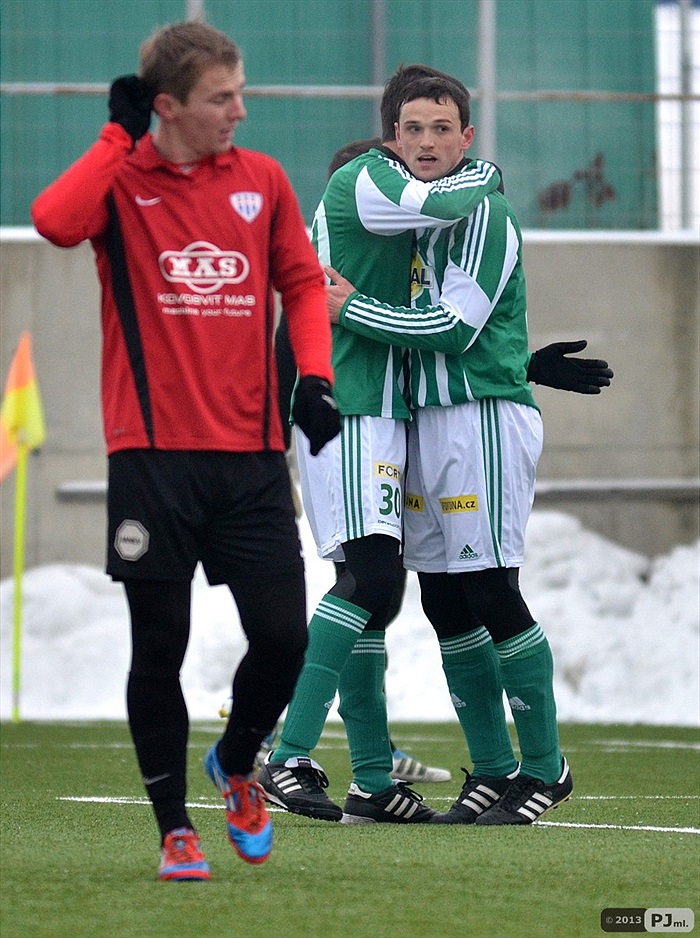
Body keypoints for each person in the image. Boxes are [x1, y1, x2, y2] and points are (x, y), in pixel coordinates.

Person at [258, 66, 611, 825]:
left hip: (459, 418)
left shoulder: (476, 218)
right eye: (411, 131)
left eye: (441, 130)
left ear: (465, 136)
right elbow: (362, 317)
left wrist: (518, 365)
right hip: (367, 415)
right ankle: (331, 763)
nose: (424, 145)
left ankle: (535, 769)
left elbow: (453, 329)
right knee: (399, 589)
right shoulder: (377, 188)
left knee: (463, 591)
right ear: (388, 146)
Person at [31, 20, 340, 880]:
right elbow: (53, 220)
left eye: (240, 93)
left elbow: (302, 285)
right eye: (221, 98)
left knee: (284, 638)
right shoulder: (121, 180)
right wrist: (113, 135)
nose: (239, 111)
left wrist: (311, 375)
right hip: (152, 456)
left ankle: (237, 765)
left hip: (249, 456)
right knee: (157, 643)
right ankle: (174, 827)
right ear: (166, 106)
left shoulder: (263, 180)